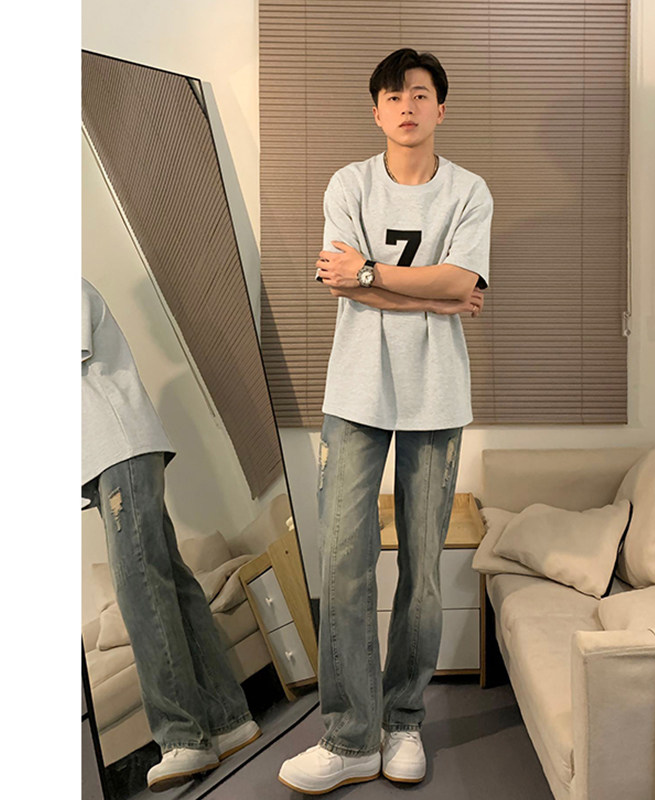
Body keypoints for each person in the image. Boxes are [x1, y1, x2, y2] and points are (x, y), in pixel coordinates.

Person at [278, 48, 492, 794]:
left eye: (421, 94)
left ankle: (403, 723)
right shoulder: (350, 184)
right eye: (394, 96)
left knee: (421, 570)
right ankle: (348, 738)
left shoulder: (468, 190)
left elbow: (451, 279)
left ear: (441, 109)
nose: (407, 106)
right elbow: (348, 284)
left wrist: (373, 273)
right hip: (356, 393)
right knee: (343, 560)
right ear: (376, 111)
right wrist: (435, 297)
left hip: (438, 395)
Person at [81, 278, 261, 792]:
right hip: (112, 457)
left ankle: (183, 735)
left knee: (140, 590)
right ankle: (228, 720)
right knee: (172, 584)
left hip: (119, 450)